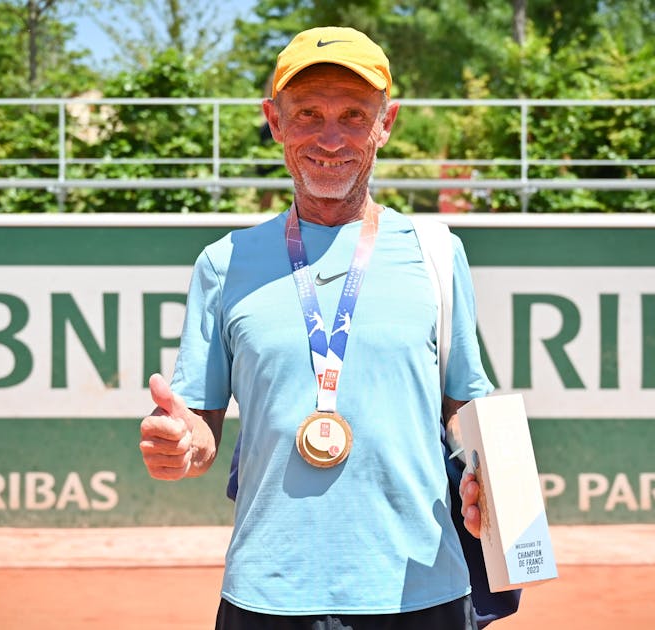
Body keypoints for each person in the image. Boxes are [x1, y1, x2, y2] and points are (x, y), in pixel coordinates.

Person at [140, 26, 498, 629]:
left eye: (354, 115)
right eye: (307, 113)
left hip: (422, 590)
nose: (330, 138)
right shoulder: (223, 263)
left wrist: (485, 468)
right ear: (274, 121)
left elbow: (462, 402)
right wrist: (181, 447)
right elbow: (201, 429)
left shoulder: (438, 253)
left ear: (386, 124)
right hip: (270, 595)